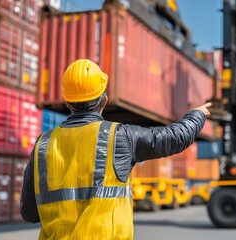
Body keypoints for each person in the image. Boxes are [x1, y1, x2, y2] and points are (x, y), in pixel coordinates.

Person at [20, 59, 211, 239]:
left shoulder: (42, 145)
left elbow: (29, 213)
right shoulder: (119, 136)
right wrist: (197, 115)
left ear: (67, 102)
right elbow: (174, 138)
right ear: (104, 101)